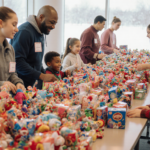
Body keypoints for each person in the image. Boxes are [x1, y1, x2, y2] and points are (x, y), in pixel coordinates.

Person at [10, 5, 58, 89]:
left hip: (30, 84)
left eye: (55, 23)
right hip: (19, 85)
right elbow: (17, 61)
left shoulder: (40, 32)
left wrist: (45, 74)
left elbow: (36, 61)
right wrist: (41, 75)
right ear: (41, 17)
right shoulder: (25, 32)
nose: (53, 26)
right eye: (51, 22)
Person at [0, 6, 25, 93]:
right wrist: (2, 84)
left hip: (7, 102)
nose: (17, 29)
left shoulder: (11, 49)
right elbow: (4, 83)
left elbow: (12, 74)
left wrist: (18, 82)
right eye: (14, 25)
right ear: (1, 23)